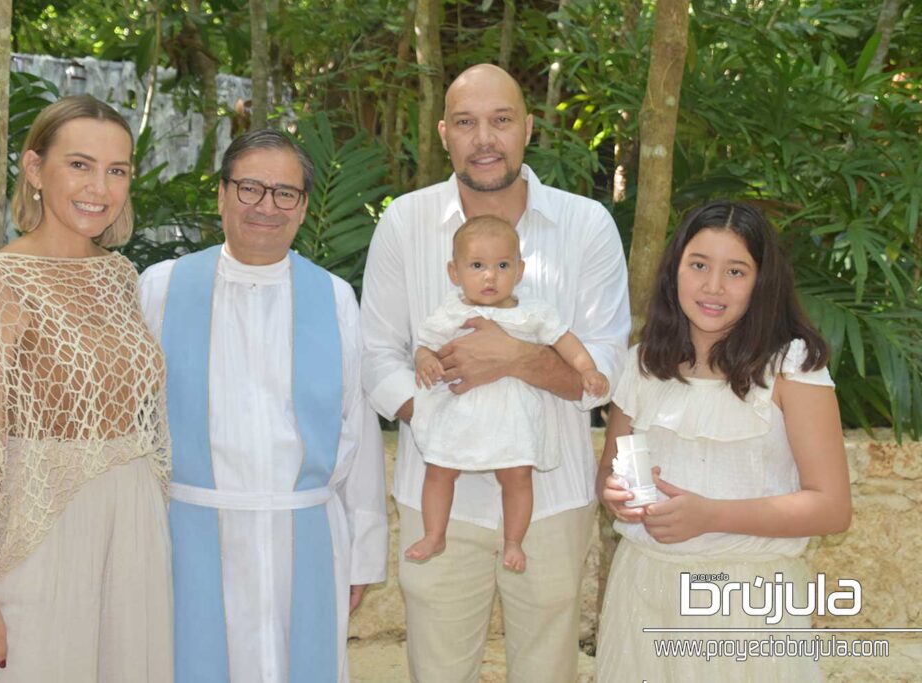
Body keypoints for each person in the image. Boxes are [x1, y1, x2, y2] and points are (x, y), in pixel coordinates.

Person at [361, 64, 630, 682]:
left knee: (546, 670)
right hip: (439, 500)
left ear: (528, 128)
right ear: (444, 134)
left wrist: (513, 358)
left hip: (550, 495)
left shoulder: (585, 225)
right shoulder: (403, 222)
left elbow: (604, 372)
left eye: (501, 120)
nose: (485, 138)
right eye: (467, 123)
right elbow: (376, 357)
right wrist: (446, 422)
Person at [0, 95, 172, 683]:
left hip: (135, 523)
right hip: (40, 537)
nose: (100, 187)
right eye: (80, 165)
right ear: (36, 170)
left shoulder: (118, 275)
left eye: (117, 170)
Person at [138, 129, 388, 683]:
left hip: (305, 533)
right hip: (189, 532)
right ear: (222, 194)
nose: (266, 206)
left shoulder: (333, 297)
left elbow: (358, 431)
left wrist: (364, 552)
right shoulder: (160, 287)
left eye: (285, 193)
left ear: (301, 208)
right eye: (250, 188)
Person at [596, 200, 852, 681]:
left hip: (747, 600)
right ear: (675, 270)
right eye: (698, 265)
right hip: (644, 591)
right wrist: (617, 496)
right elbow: (610, 471)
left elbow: (832, 507)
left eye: (736, 271)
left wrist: (711, 515)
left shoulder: (792, 365)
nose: (713, 287)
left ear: (762, 282)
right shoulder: (643, 362)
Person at [406, 215, 608, 572]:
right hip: (459, 416)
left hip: (512, 417)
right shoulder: (451, 312)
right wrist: (424, 361)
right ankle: (434, 533)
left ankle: (514, 540)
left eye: (502, 265)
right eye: (477, 265)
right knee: (439, 469)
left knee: (517, 476)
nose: (490, 275)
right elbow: (425, 345)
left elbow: (565, 341)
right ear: (454, 272)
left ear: (519, 270)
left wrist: (587, 369)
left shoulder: (533, 312)